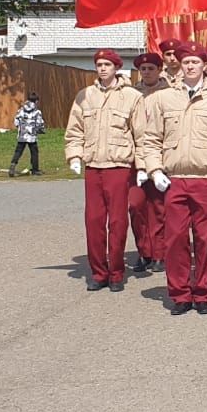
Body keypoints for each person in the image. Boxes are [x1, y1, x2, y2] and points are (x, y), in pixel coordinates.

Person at [138, 43, 207, 315]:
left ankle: (202, 293)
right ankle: (180, 294)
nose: (189, 66)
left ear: (203, 66)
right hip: (174, 178)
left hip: (206, 177)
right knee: (175, 239)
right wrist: (154, 170)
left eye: (195, 62)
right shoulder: (165, 98)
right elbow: (150, 138)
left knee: (203, 238)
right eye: (185, 62)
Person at [65, 50, 146, 292]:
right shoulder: (85, 96)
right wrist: (74, 155)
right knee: (94, 221)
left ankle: (116, 272)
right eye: (99, 64)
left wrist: (142, 166)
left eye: (107, 64)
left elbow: (141, 135)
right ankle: (98, 271)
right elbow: (74, 130)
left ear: (116, 68)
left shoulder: (132, 97)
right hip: (93, 166)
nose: (102, 69)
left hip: (119, 166)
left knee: (118, 221)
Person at [128, 52, 168, 273]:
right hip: (136, 158)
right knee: (136, 206)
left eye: (151, 68)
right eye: (143, 69)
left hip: (161, 157)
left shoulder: (170, 93)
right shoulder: (131, 94)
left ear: (159, 70)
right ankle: (144, 251)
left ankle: (161, 252)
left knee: (159, 207)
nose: (146, 72)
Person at [9, 92, 45, 177]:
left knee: (18, 151)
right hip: (31, 136)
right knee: (34, 152)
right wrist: (40, 130)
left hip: (22, 135)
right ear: (36, 101)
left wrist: (20, 129)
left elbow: (16, 121)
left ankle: (13, 165)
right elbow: (39, 124)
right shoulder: (37, 112)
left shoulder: (21, 110)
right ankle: (35, 170)